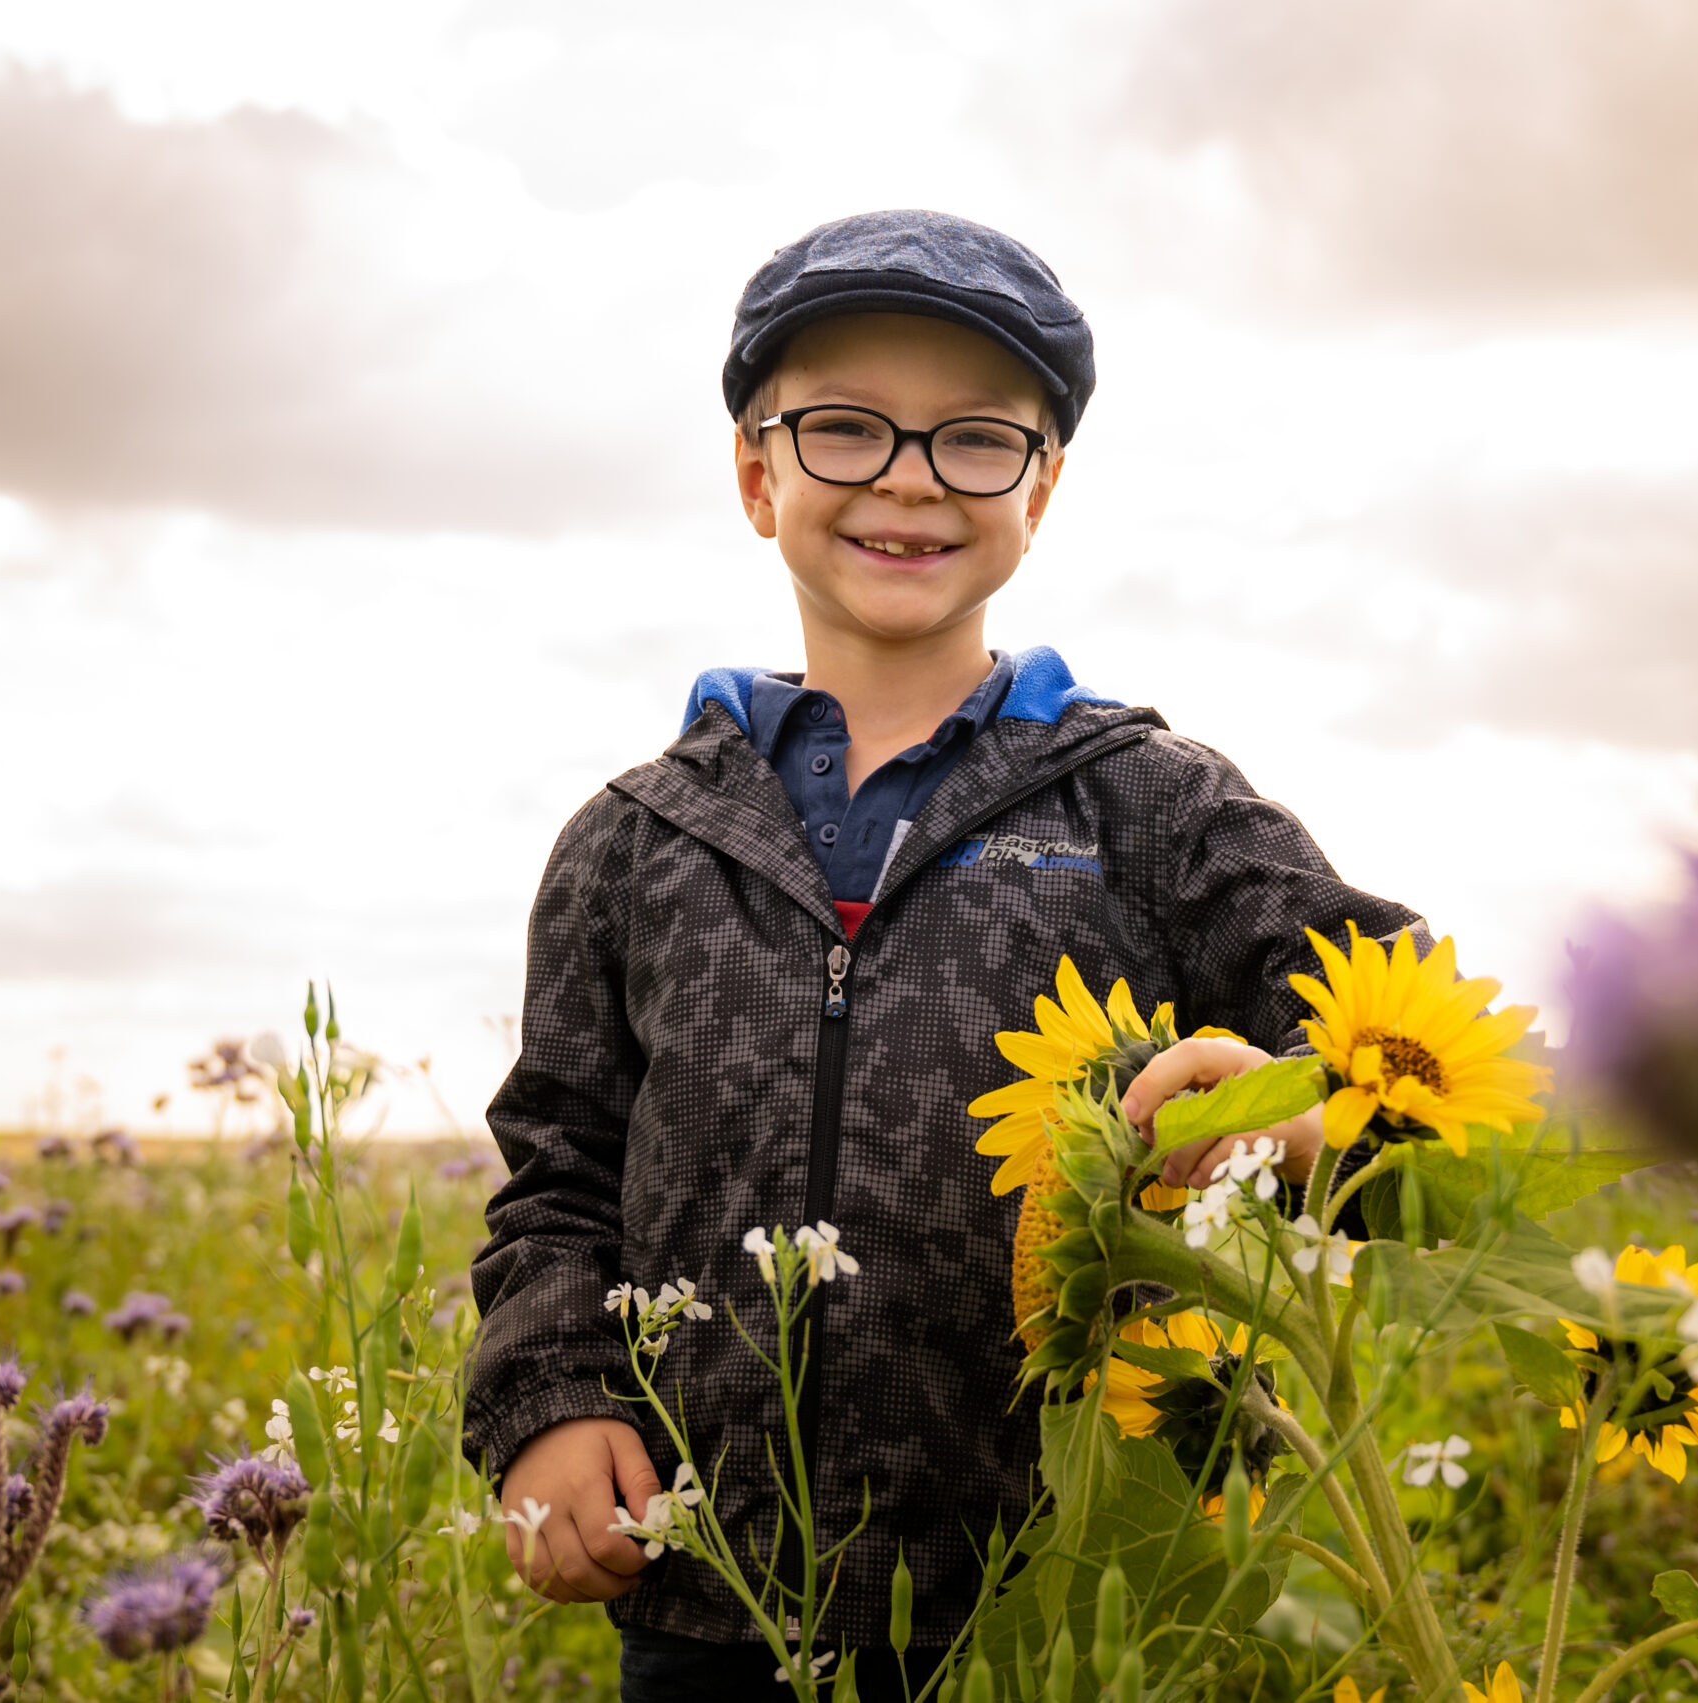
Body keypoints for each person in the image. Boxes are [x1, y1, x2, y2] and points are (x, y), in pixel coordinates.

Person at [464, 209, 1420, 1702]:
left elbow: (1421, 1063)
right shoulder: (634, 841)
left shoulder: (1153, 807)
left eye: (975, 439)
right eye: (846, 428)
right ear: (754, 472)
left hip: (1074, 1610)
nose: (908, 478)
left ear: (1042, 493)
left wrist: (1291, 1120)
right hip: (711, 1604)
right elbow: (558, 1174)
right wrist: (547, 1397)